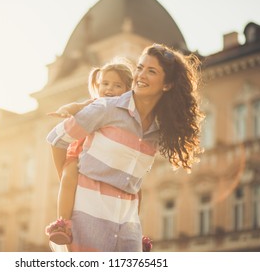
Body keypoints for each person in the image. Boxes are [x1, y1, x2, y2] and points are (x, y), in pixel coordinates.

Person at [46, 43, 204, 252]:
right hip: (87, 223)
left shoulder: (159, 129)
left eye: (151, 71)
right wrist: (71, 182)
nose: (141, 75)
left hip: (128, 231)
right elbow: (57, 139)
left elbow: (134, 184)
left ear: (167, 84)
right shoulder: (106, 107)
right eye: (139, 68)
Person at [45, 58, 134, 246]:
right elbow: (75, 107)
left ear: (127, 90)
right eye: (105, 84)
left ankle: (132, 233)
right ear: (98, 85)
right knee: (68, 177)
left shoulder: (127, 112)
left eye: (117, 85)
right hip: (80, 152)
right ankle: (62, 223)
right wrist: (64, 111)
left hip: (110, 160)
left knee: (134, 190)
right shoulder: (95, 104)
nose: (109, 89)